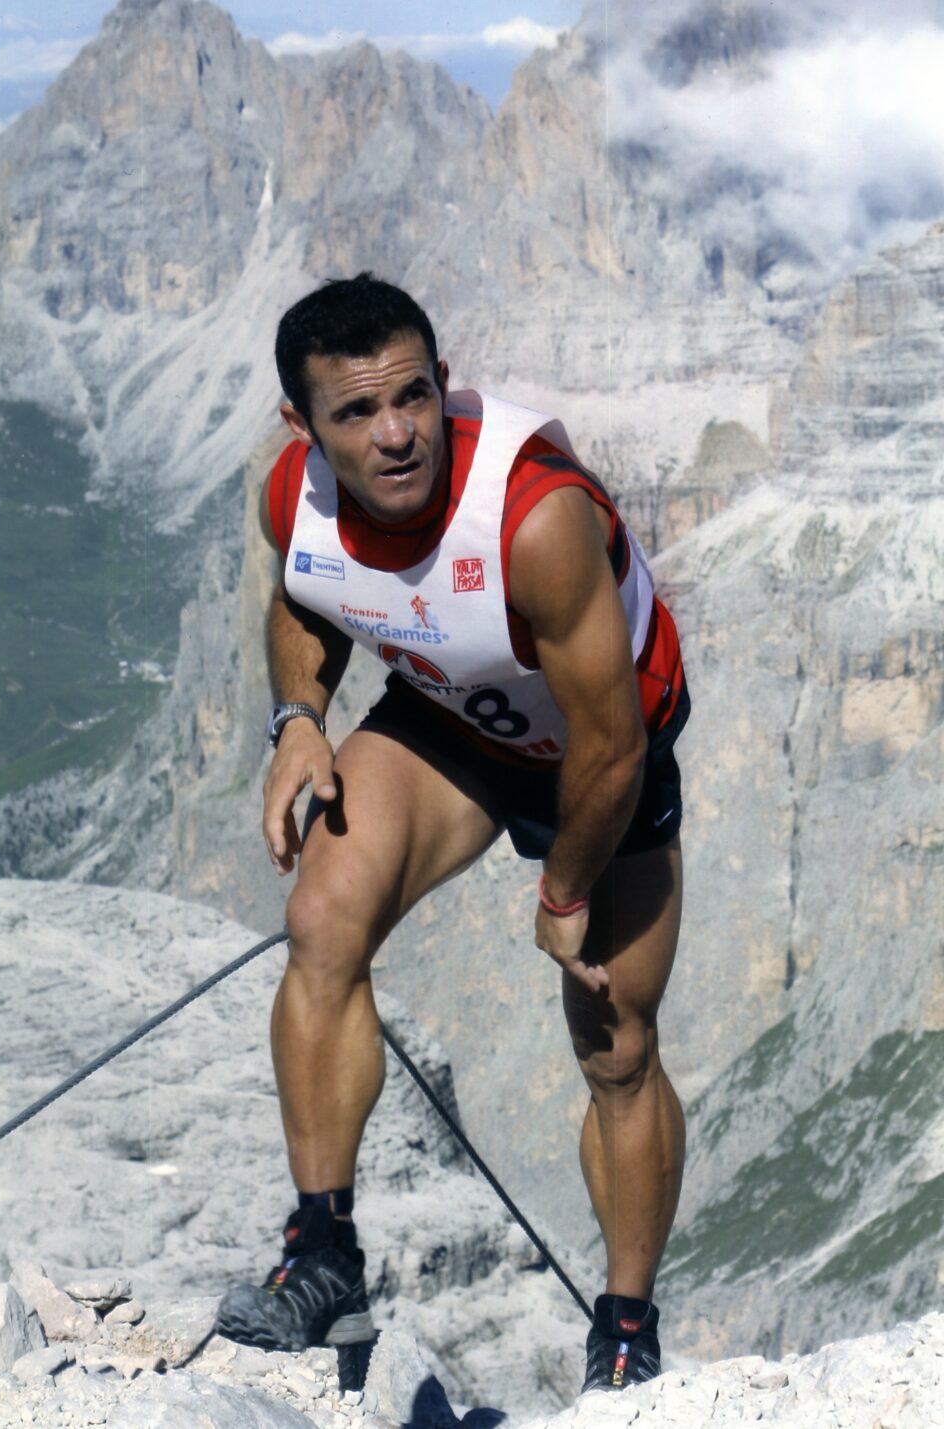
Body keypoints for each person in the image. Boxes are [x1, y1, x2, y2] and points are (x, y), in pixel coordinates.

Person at [216, 272, 690, 1396]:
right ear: (304, 426)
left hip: (596, 753)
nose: (395, 435)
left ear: (443, 379)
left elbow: (611, 747)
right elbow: (302, 593)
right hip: (449, 719)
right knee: (322, 919)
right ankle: (324, 1255)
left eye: (415, 397)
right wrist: (297, 721)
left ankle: (626, 1332)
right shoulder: (296, 495)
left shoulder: (534, 517)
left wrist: (565, 889)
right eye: (357, 414)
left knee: (614, 1041)